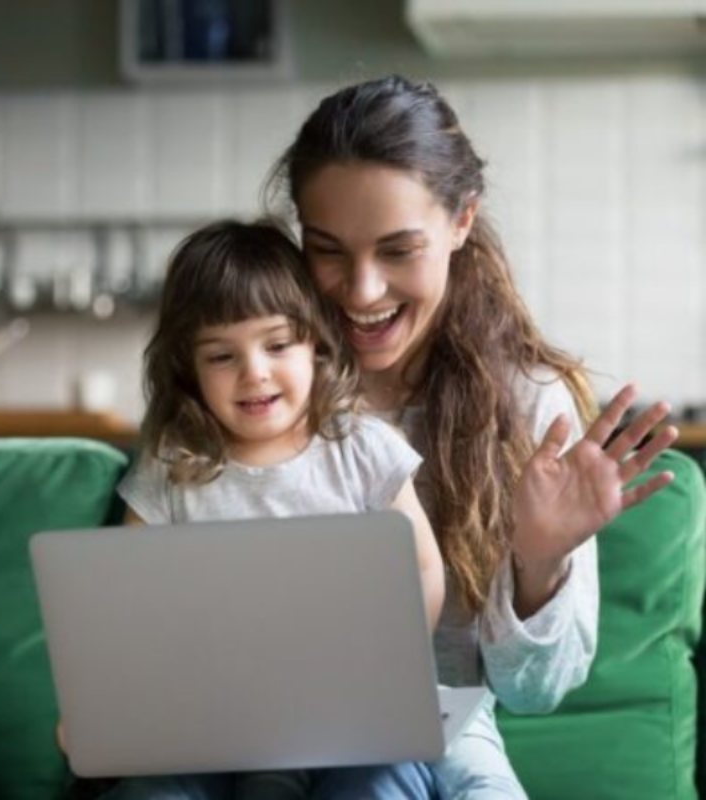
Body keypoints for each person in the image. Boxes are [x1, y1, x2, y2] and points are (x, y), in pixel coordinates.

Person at [261, 74, 679, 798]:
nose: (361, 292)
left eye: (398, 251)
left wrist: (538, 562)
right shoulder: (266, 390)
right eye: (327, 249)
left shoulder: (526, 403)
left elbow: (533, 694)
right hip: (271, 737)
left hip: (433, 744)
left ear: (461, 221)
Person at [64, 217, 446, 800]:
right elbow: (127, 605)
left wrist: (391, 674)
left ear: (315, 342)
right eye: (221, 356)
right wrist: (104, 710)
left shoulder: (361, 448)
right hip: (204, 726)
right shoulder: (172, 464)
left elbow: (420, 567)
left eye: (277, 344)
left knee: (382, 785)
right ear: (188, 369)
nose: (254, 373)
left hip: (342, 723)